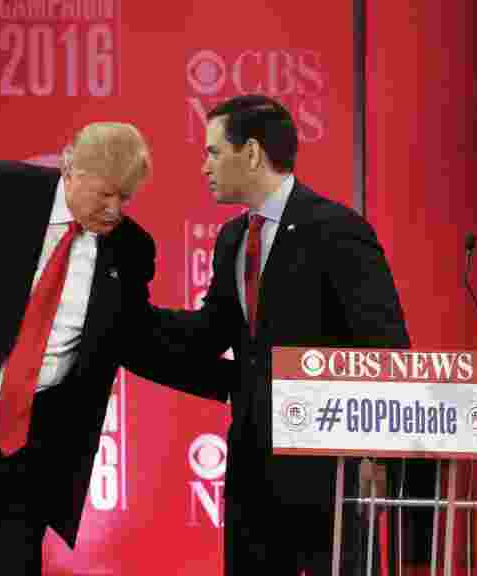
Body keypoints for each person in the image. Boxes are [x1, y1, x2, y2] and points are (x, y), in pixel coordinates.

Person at [0, 122, 226, 575]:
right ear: (70, 168)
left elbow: (135, 338)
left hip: (29, 435)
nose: (115, 210)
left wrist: (235, 379)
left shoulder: (131, 249)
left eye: (125, 198)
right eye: (104, 194)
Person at [151, 94, 412, 575]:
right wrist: (128, 321)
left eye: (213, 152)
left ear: (251, 153)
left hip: (328, 475)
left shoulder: (336, 229)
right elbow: (210, 333)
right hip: (252, 470)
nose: (205, 166)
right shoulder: (232, 238)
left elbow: (385, 346)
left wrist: (378, 457)